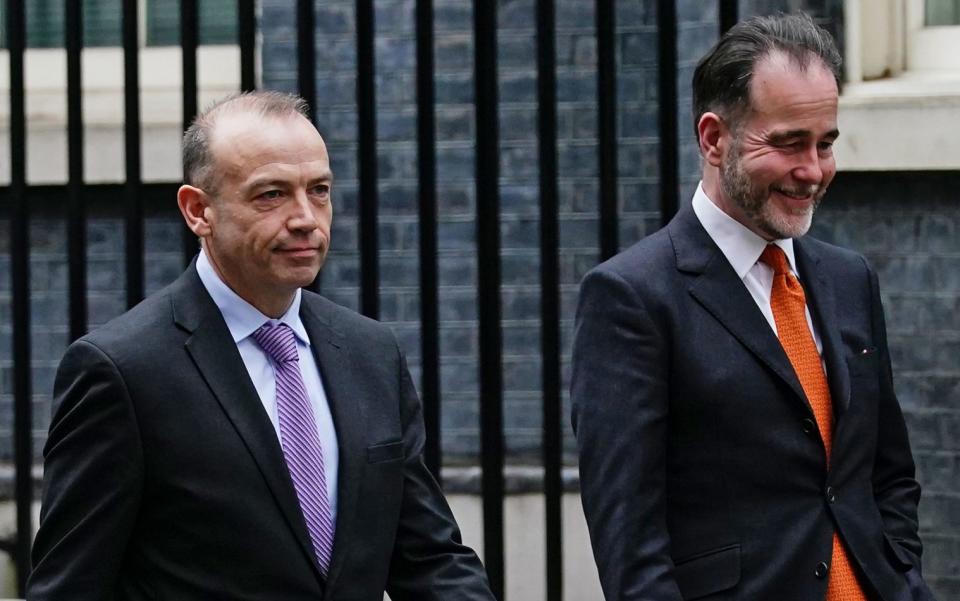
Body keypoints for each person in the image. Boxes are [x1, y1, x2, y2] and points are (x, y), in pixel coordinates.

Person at [28, 91, 495, 601]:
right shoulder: (122, 371)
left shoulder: (371, 352)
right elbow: (69, 587)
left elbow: (428, 558)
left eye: (318, 190)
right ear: (197, 210)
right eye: (271, 194)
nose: (305, 218)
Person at [571, 13, 937, 601]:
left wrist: (903, 577)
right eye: (788, 143)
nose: (812, 171)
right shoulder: (631, 298)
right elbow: (631, 544)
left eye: (825, 144)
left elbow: (887, 473)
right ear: (714, 139)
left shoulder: (849, 279)